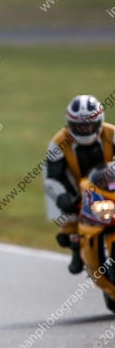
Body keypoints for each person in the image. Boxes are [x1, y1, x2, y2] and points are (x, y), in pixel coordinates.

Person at [48, 94, 114, 274]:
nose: (84, 130)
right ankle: (76, 248)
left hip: (110, 188)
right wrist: (62, 196)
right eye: (79, 126)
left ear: (99, 123)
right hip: (78, 190)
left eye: (88, 125)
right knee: (67, 228)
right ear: (70, 124)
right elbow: (53, 177)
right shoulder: (58, 142)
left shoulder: (112, 133)